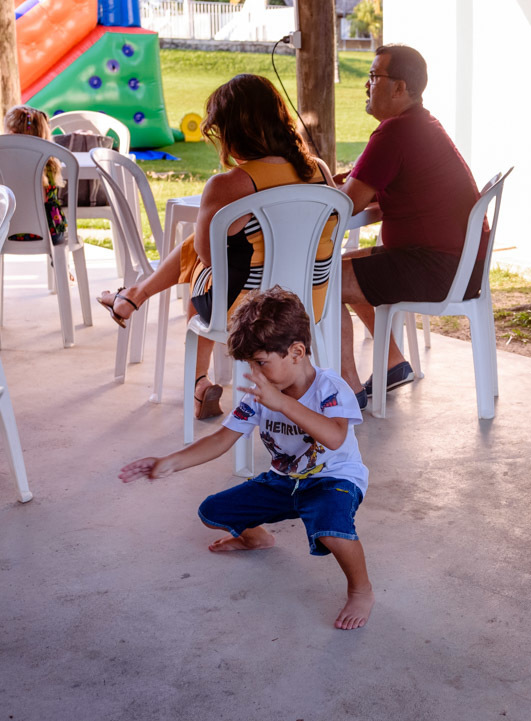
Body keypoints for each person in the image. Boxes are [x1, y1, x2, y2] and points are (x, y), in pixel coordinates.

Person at [119, 287, 375, 630]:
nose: (253, 372)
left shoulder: (330, 388)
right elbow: (222, 439)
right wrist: (169, 461)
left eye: (261, 362)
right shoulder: (260, 395)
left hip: (333, 479)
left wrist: (281, 403)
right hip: (283, 481)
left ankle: (361, 589)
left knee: (331, 529)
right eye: (249, 364)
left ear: (296, 352)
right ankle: (257, 537)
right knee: (212, 512)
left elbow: (334, 436)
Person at [96, 74, 340, 418]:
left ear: (231, 131)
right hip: (308, 306)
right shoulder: (320, 171)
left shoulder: (230, 184)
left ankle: (196, 379)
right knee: (210, 257)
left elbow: (209, 258)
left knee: (202, 262)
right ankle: (132, 297)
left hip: (249, 313)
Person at [335, 44, 486, 405]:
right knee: (338, 264)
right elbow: (381, 186)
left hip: (434, 268)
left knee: (319, 279)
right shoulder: (420, 124)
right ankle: (392, 363)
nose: (366, 86)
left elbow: (345, 205)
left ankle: (348, 390)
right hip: (458, 265)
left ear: (400, 88)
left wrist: (326, 187)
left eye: (374, 77)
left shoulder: (394, 134)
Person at [2, 105, 67, 245]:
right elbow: (43, 200)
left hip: (6, 231)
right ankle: (59, 264)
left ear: (12, 134)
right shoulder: (50, 163)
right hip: (48, 233)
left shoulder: (4, 162)